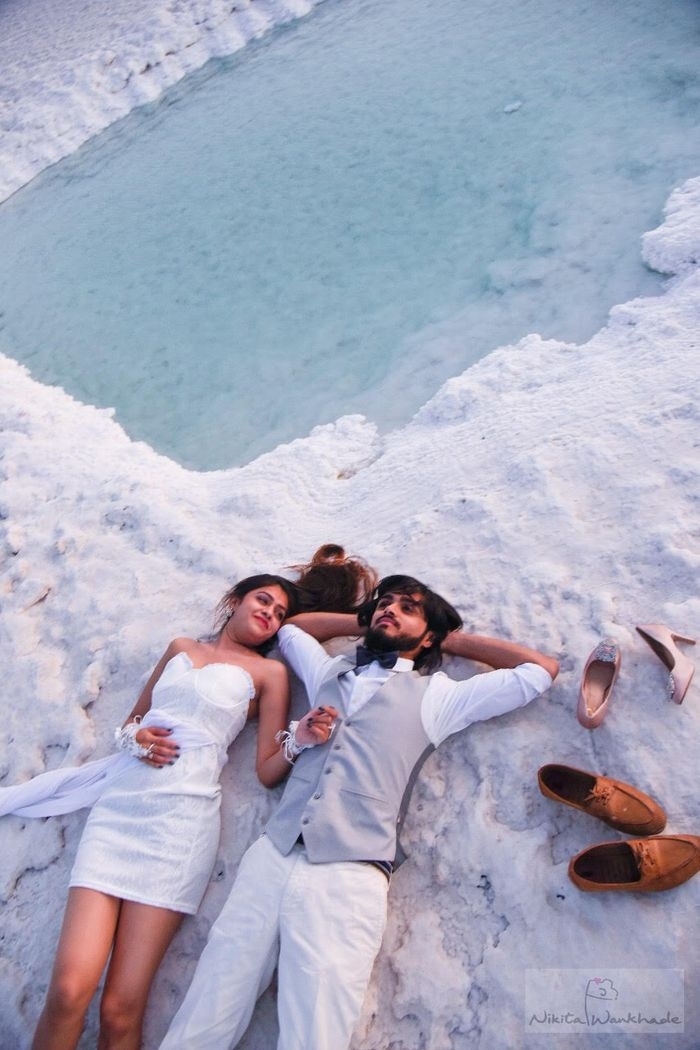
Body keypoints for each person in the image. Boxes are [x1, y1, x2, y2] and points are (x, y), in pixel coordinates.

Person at [159, 573, 560, 1050]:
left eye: (408, 608)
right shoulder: (328, 672)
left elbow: (539, 670)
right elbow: (295, 629)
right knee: (208, 1006)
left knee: (317, 1030)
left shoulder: (440, 697)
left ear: (428, 635)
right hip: (273, 853)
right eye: (385, 603)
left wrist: (447, 638)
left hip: (349, 877)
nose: (391, 610)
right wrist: (369, 618)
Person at [1, 546, 376, 1050]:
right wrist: (135, 738)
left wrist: (300, 739)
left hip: (180, 829)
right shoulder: (180, 648)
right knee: (68, 991)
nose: (268, 613)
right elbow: (132, 721)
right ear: (235, 601)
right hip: (119, 815)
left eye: (279, 613)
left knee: (119, 1010)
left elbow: (267, 771)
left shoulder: (270, 675)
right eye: (261, 600)